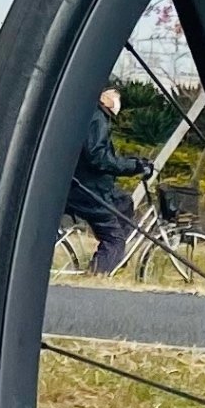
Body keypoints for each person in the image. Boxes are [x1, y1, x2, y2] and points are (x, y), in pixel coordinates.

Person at [62, 89, 141, 273]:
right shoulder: (97, 119)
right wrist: (132, 166)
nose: (117, 100)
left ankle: (116, 260)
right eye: (115, 95)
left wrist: (131, 164)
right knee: (115, 240)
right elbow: (98, 157)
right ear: (103, 98)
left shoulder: (94, 116)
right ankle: (97, 273)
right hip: (88, 190)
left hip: (89, 186)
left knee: (124, 201)